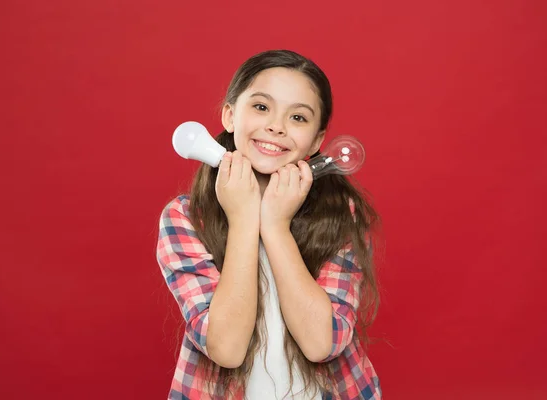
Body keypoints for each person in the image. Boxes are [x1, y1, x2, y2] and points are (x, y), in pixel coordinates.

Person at [156, 49, 382, 400]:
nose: (276, 126)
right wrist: (244, 219)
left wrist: (276, 226)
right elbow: (227, 348)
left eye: (298, 117)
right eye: (261, 107)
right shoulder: (185, 218)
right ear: (230, 115)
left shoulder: (341, 213)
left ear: (318, 142)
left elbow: (322, 343)